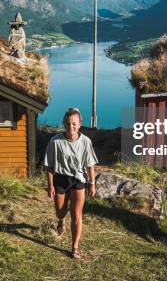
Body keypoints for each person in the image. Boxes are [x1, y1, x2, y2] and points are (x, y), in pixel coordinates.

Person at [42, 107, 99, 259]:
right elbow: (48, 166)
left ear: (80, 124)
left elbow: (90, 164)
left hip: (78, 180)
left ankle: (74, 247)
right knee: (60, 211)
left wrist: (92, 183)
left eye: (74, 123)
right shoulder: (55, 142)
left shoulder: (85, 141)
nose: (71, 127)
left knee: (77, 215)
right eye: (68, 123)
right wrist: (50, 185)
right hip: (60, 179)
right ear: (64, 124)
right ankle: (61, 221)